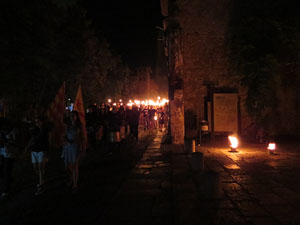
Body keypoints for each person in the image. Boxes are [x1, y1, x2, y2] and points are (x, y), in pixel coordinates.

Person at [24, 116, 50, 195]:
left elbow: (48, 141)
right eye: (36, 122)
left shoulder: (45, 130)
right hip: (34, 151)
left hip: (41, 151)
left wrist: (47, 152)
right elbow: (32, 139)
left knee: (40, 168)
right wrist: (27, 148)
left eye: (38, 121)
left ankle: (41, 186)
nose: (37, 123)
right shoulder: (34, 130)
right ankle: (41, 179)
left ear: (42, 122)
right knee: (36, 168)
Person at [62, 111, 83, 193]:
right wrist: (64, 139)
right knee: (67, 166)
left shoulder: (79, 126)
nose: (71, 117)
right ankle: (71, 178)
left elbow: (81, 137)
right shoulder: (67, 126)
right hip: (67, 147)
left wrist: (81, 146)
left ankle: (75, 184)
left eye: (73, 116)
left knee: (74, 165)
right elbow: (64, 135)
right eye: (70, 116)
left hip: (75, 146)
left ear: (76, 117)